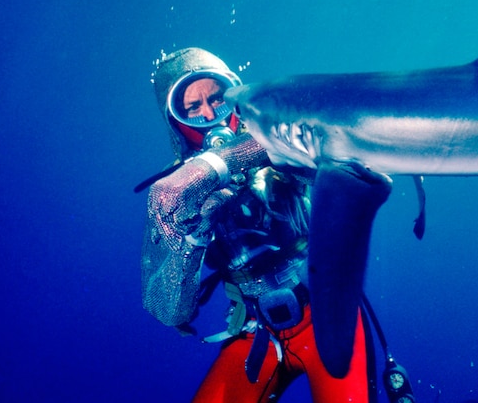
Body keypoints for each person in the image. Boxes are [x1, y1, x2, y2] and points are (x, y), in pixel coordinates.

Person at [140, 47, 378, 402]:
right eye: (192, 108)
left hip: (325, 315)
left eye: (217, 98)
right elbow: (170, 310)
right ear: (176, 122)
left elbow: (335, 142)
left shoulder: (281, 135)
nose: (209, 114)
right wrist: (192, 233)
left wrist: (219, 163)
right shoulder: (173, 193)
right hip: (254, 332)